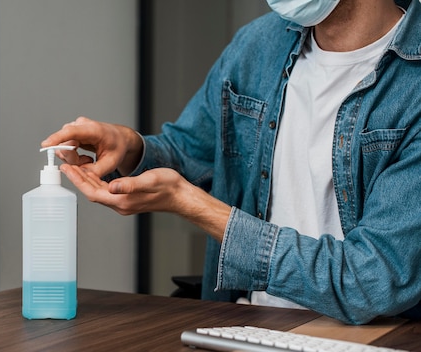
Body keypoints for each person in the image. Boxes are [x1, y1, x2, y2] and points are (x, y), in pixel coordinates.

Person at [41, 0, 421, 324]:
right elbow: (195, 154)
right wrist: (133, 149)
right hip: (247, 329)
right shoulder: (257, 46)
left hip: (372, 340)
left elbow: (375, 279)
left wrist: (199, 208)